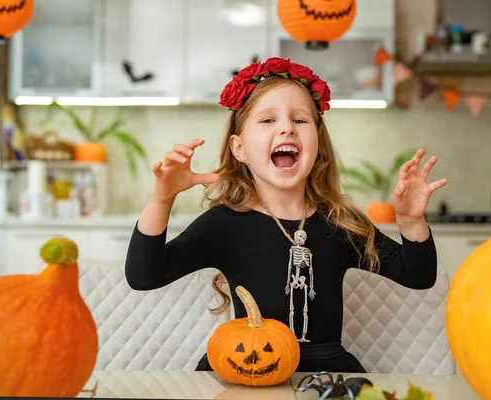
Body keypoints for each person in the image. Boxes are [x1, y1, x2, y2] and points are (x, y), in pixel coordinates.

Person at [125, 57, 448, 373]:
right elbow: (144, 277)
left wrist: (410, 221)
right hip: (246, 368)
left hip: (327, 373)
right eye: (267, 120)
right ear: (239, 149)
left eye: (300, 120)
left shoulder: (342, 223)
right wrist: (162, 197)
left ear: (318, 145)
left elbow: (417, 276)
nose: (286, 129)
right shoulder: (223, 224)